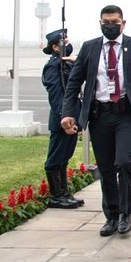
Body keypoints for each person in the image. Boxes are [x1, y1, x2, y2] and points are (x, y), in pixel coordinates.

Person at [61, 5, 131, 238]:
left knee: (124, 162)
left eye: (115, 21)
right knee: (105, 167)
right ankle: (111, 216)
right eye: (106, 22)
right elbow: (74, 82)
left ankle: (126, 213)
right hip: (100, 115)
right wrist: (67, 113)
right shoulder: (90, 48)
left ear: (123, 23)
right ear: (100, 23)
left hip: (126, 114)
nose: (110, 25)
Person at [42, 30, 83, 210]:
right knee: (55, 159)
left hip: (72, 118)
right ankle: (56, 196)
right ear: (55, 47)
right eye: (64, 41)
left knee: (64, 158)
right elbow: (56, 95)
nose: (68, 43)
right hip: (62, 120)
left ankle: (64, 193)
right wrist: (63, 120)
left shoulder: (66, 64)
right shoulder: (53, 66)